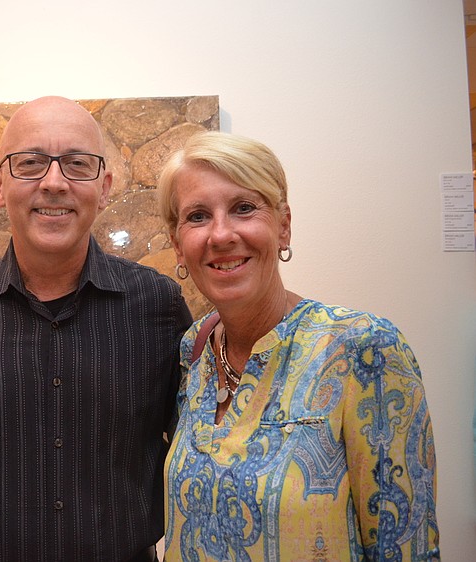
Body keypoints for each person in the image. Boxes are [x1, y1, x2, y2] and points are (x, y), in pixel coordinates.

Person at [0, 96, 192, 561]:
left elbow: (198, 447)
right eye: (31, 163)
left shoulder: (157, 306)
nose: (54, 182)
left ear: (104, 186)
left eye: (77, 164)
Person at [156, 130, 440, 561]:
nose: (221, 234)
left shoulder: (364, 350)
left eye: (244, 208)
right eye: (197, 216)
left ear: (283, 226)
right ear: (178, 245)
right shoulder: (193, 350)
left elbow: (405, 547)